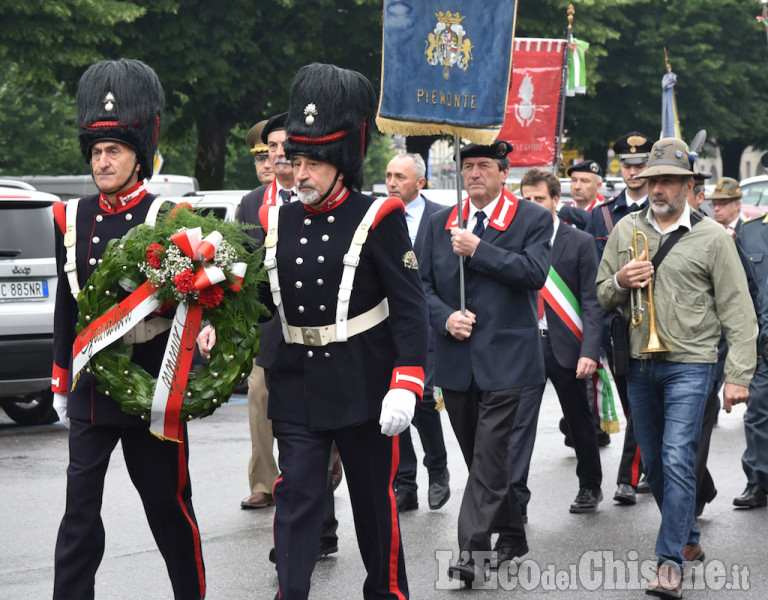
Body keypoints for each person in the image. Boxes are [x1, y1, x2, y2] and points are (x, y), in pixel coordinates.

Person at [240, 63, 428, 599]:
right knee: (297, 502)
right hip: (297, 383)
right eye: (296, 161)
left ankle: (387, 593)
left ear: (341, 162)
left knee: (373, 507)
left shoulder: (380, 216)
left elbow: (410, 308)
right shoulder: (275, 222)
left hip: (363, 383)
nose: (300, 173)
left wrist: (407, 379)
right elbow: (261, 302)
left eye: (313, 163)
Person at [50, 59, 206, 600]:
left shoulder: (169, 215)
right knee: (78, 514)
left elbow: (194, 300)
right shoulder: (69, 217)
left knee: (167, 506)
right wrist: (60, 381)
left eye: (113, 150)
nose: (102, 161)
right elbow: (67, 308)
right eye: (95, 151)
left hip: (150, 385)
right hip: (93, 385)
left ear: (139, 154)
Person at [596, 137, 757, 597]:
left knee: (676, 457)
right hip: (640, 364)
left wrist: (739, 376)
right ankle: (686, 537)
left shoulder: (712, 237)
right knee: (658, 467)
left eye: (668, 180)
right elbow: (601, 292)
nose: (659, 188)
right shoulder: (626, 230)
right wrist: (621, 281)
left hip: (693, 362)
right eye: (652, 181)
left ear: (689, 185)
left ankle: (668, 563)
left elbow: (739, 312)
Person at [420, 139, 552, 583]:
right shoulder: (440, 221)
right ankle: (512, 532)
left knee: (491, 455)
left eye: (483, 166)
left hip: (510, 361)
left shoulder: (531, 217)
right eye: (468, 166)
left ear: (502, 173)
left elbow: (534, 273)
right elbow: (420, 286)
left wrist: (479, 249)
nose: (474, 173)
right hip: (457, 360)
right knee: (483, 461)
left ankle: (469, 552)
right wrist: (445, 319)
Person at [220, 112, 340, 557]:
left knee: (317, 424)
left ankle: (321, 506)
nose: (276, 154)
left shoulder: (325, 195)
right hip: (269, 330)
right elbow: (241, 261)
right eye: (270, 148)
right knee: (269, 410)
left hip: (320, 331)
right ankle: (273, 493)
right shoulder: (253, 203)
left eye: (283, 146)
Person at [508, 168, 603, 515]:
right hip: (525, 347)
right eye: (527, 199)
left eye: (539, 199)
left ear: (556, 201)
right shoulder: (512, 241)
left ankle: (590, 484)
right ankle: (516, 498)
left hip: (567, 346)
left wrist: (590, 351)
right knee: (519, 426)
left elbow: (592, 302)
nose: (532, 205)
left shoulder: (578, 241)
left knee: (579, 422)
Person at [567, 132, 655, 507]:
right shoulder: (601, 216)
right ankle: (649, 468)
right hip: (614, 329)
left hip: (655, 326)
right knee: (632, 404)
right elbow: (587, 274)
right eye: (627, 165)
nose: (633, 172)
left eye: (640, 165)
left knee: (641, 404)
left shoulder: (663, 209)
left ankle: (627, 478)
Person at [385, 153, 451, 513]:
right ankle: (405, 482)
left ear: (420, 183)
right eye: (389, 175)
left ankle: (437, 469)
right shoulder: (379, 216)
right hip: (388, 326)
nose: (392, 182)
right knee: (393, 405)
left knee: (423, 400)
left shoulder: (441, 216)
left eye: (400, 177)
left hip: (427, 325)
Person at [237, 114, 286, 510]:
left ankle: (331, 461)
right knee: (259, 395)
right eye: (261, 158)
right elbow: (238, 261)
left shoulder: (309, 192)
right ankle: (264, 481)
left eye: (271, 155)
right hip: (265, 322)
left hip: (314, 315)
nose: (267, 164)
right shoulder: (250, 204)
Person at [732, 208, 768, 510]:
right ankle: (758, 480)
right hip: (762, 341)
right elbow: (740, 290)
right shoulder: (750, 231)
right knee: (758, 412)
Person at [246, 119, 275, 185]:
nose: (266, 165)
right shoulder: (252, 195)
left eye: (272, 158)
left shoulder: (298, 195)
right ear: (255, 164)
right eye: (261, 159)